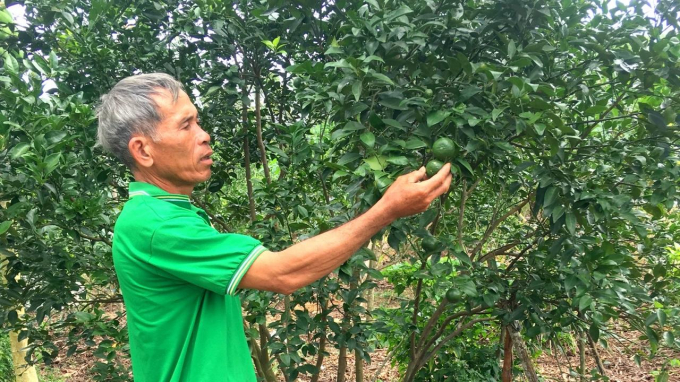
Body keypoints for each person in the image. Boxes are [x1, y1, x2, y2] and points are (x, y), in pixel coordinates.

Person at [96, 73, 452, 382]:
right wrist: (386, 210)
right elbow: (283, 274)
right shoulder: (156, 224)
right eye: (186, 125)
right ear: (143, 151)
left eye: (198, 122)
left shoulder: (165, 212)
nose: (204, 136)